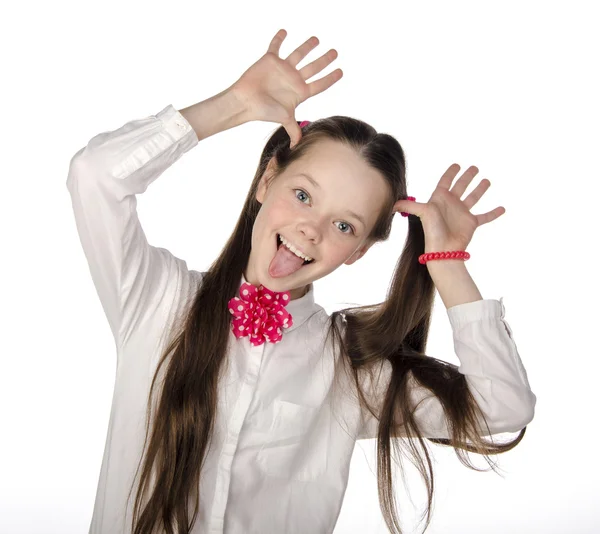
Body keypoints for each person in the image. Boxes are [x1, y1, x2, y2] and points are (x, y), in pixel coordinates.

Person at [66, 29, 536, 534]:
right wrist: (236, 105)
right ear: (267, 182)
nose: (310, 228)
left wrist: (444, 259)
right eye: (303, 195)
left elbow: (503, 407)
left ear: (358, 251)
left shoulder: (350, 371)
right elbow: (95, 177)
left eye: (343, 226)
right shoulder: (158, 300)